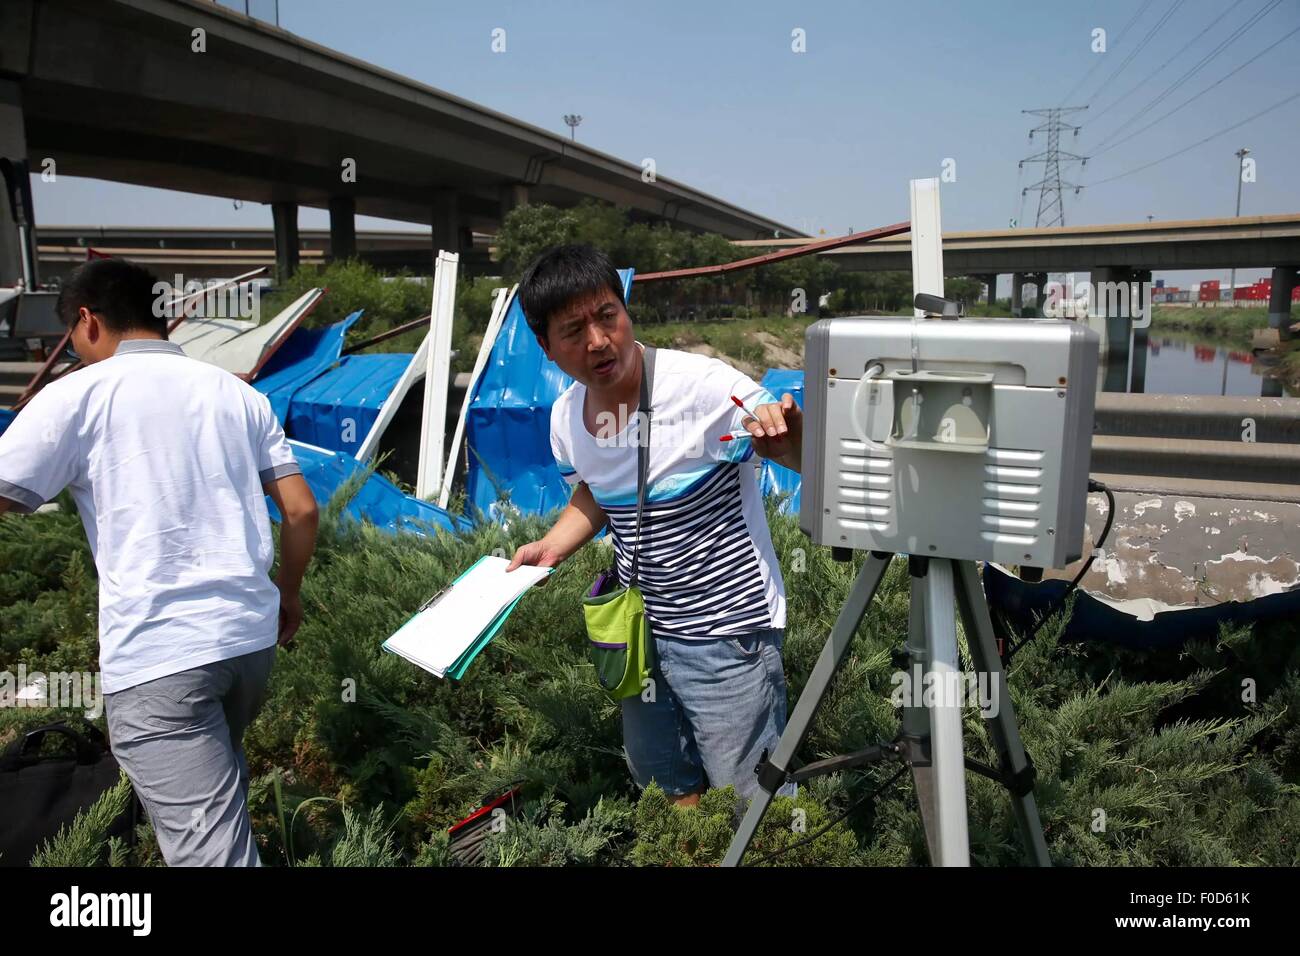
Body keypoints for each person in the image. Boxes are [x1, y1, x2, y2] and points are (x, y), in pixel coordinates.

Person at [0, 258, 319, 865]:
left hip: (162, 656)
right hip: (248, 642)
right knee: (215, 801)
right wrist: (288, 590)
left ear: (87, 321)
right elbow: (302, 512)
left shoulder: (75, 396)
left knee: (212, 856)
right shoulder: (238, 393)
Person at [507, 244, 801, 805]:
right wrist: (552, 545)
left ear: (625, 310)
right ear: (546, 347)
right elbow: (595, 493)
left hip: (726, 632)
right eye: (573, 330)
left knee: (749, 799)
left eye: (606, 316)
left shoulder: (702, 387)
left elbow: (787, 437)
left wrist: (786, 431)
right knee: (665, 782)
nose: (598, 341)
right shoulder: (566, 418)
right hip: (640, 631)